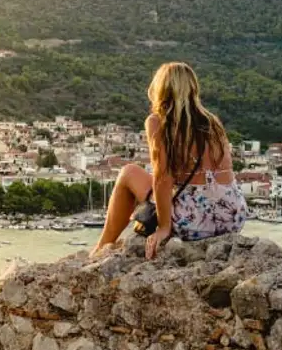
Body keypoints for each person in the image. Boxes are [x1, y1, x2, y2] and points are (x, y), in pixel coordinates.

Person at [92, 62, 248, 259]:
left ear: (161, 89)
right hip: (233, 217)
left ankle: (102, 247)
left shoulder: (158, 122)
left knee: (128, 172)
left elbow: (163, 178)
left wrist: (164, 227)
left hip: (195, 222)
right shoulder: (212, 121)